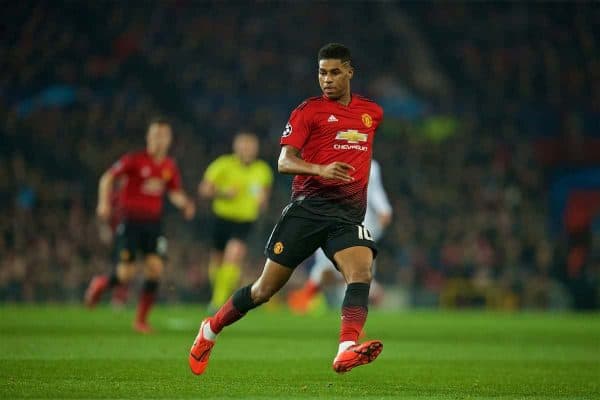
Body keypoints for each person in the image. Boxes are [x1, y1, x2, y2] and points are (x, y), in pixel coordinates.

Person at [189, 43, 384, 375]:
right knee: (264, 289)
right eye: (322, 72)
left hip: (347, 216)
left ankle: (345, 349)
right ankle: (210, 329)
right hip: (308, 211)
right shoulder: (308, 111)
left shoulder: (371, 113)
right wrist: (321, 169)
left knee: (361, 272)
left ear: (350, 72)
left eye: (335, 72)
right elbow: (284, 161)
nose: (327, 79)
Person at [84, 118, 196, 333]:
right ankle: (101, 284)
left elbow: (173, 191)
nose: (159, 140)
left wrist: (185, 204)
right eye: (155, 136)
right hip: (130, 222)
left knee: (155, 269)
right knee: (125, 274)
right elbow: (107, 178)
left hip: (153, 224)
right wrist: (104, 202)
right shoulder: (134, 160)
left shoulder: (168, 166)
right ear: (148, 138)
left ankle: (141, 320)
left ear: (169, 140)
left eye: (163, 136)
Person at [288, 159, 392, 313]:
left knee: (351, 272)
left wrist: (383, 210)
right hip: (329, 221)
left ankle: (307, 300)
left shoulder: (369, 164)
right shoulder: (327, 157)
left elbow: (375, 191)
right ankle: (305, 299)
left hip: (358, 223)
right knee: (329, 269)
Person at [198, 132, 273, 311]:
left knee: (234, 254)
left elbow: (264, 194)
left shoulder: (262, 170)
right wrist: (224, 193)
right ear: (236, 147)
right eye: (244, 145)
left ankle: (218, 302)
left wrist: (262, 201)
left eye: (251, 146)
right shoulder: (223, 165)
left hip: (244, 221)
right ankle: (221, 289)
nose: (248, 149)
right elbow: (204, 190)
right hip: (221, 218)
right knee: (217, 261)